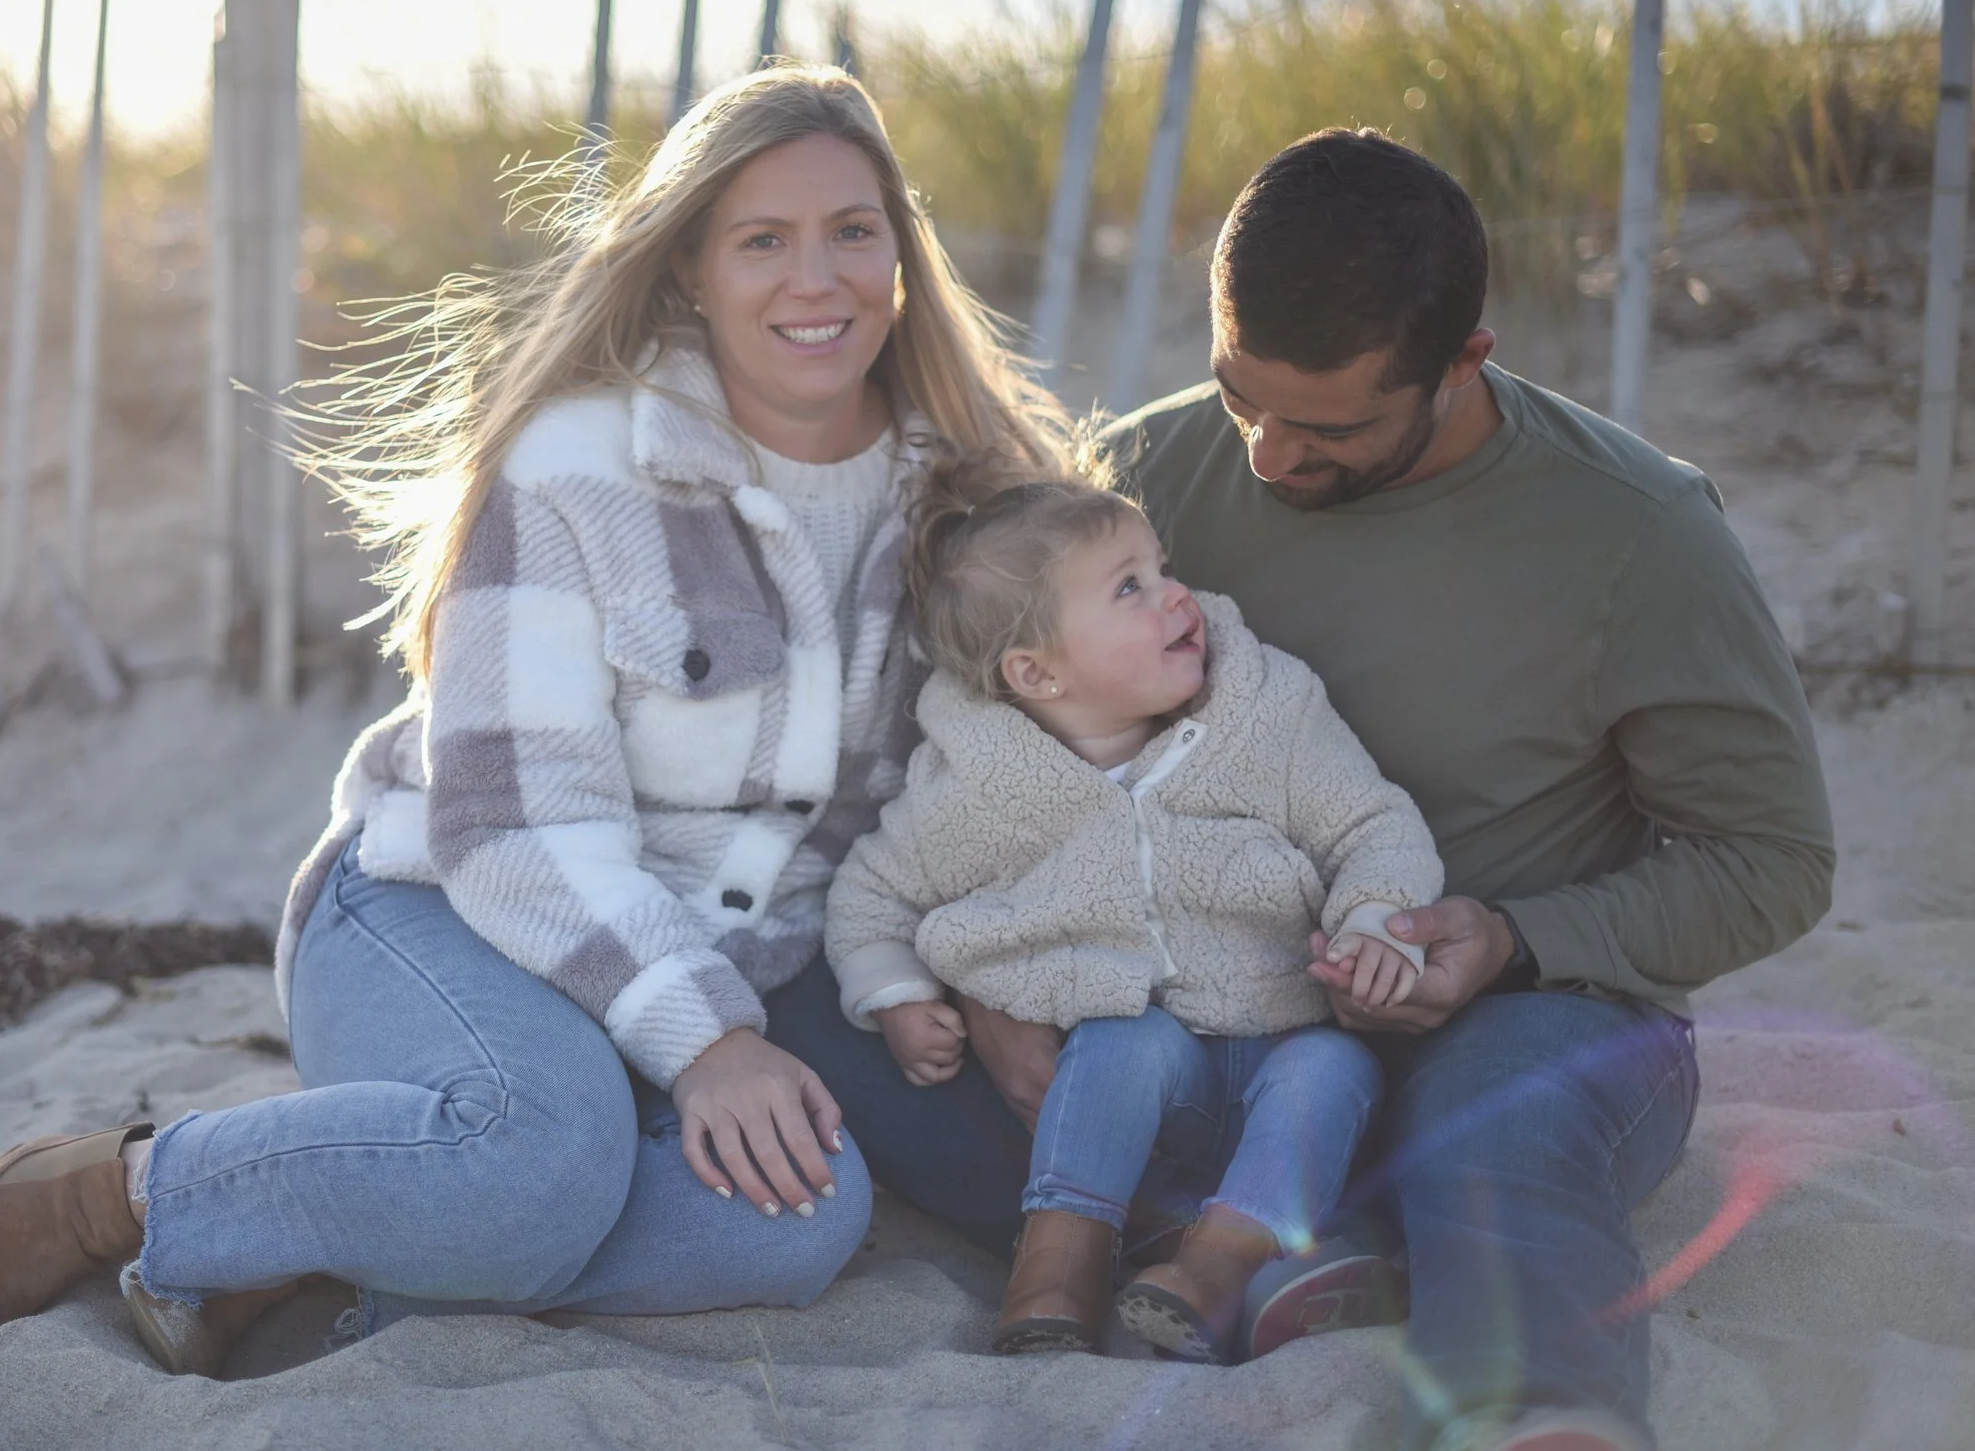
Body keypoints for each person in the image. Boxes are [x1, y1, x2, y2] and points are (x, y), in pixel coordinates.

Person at [0, 65, 1079, 1376]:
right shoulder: (576, 464)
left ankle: (321, 1232)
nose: (817, 278)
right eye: (761, 241)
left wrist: (978, 981)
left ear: (901, 253)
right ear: (688, 266)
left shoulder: (967, 501)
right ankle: (106, 1193)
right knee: (539, 1158)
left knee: (799, 1217)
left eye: (852, 230)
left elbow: (998, 784)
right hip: (446, 904)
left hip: (710, 958)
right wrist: (713, 1041)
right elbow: (512, 823)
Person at [778, 127, 1835, 1451]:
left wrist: (1515, 939)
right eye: (1241, 396)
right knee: (821, 1005)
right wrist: (988, 992)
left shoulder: (1638, 532)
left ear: (1465, 362)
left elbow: (1773, 861)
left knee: (1493, 1127)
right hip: (1188, 1021)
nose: (1269, 458)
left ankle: (1515, 1403)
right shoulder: (1148, 473)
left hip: (1510, 1021)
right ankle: (1252, 1252)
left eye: (1330, 427)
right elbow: (994, 768)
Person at [823, 467, 1441, 1361]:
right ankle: (1057, 1268)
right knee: (1124, 1040)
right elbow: (871, 892)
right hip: (1135, 1097)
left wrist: (1377, 918)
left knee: (1333, 1067)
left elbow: (1372, 822)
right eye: (1129, 588)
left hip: (1281, 1040)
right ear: (1036, 672)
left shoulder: (1264, 711)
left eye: (1162, 567)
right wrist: (894, 992)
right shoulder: (984, 788)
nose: (1175, 595)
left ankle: (1217, 1268)